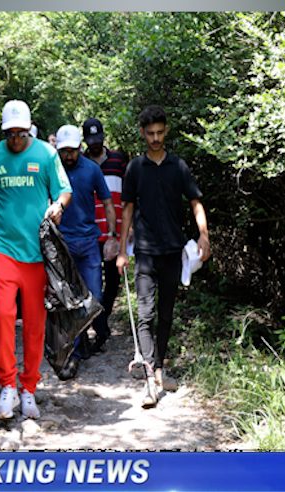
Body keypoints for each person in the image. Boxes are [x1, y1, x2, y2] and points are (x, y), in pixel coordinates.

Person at [0, 100, 72, 420]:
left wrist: (59, 206)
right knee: (1, 314)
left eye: (20, 134)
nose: (15, 140)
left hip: (38, 253)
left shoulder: (45, 154)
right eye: (9, 134)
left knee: (35, 324)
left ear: (29, 129)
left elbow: (64, 190)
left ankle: (29, 389)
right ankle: (7, 385)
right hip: (3, 250)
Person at [116, 105, 211, 408]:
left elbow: (195, 201)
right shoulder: (134, 168)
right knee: (145, 314)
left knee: (166, 315)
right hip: (145, 251)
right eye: (150, 133)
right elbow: (128, 209)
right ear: (143, 133)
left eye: (160, 132)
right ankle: (148, 380)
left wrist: (204, 235)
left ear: (165, 131)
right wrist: (121, 251)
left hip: (173, 251)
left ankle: (159, 369)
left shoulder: (178, 166)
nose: (155, 138)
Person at [54, 124, 116, 381]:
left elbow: (108, 202)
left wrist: (111, 236)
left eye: (72, 151)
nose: (68, 156)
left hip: (89, 243)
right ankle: (74, 354)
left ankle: (83, 339)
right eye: (64, 151)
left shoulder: (91, 170)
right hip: (63, 244)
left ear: (80, 147)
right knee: (70, 300)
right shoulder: (53, 169)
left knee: (95, 297)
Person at [82, 117, 129, 354]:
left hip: (115, 230)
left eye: (98, 140)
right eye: (91, 141)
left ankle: (102, 319)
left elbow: (129, 194)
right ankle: (99, 327)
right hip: (90, 231)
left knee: (112, 282)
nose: (95, 145)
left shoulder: (119, 160)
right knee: (92, 285)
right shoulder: (81, 162)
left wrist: (127, 229)